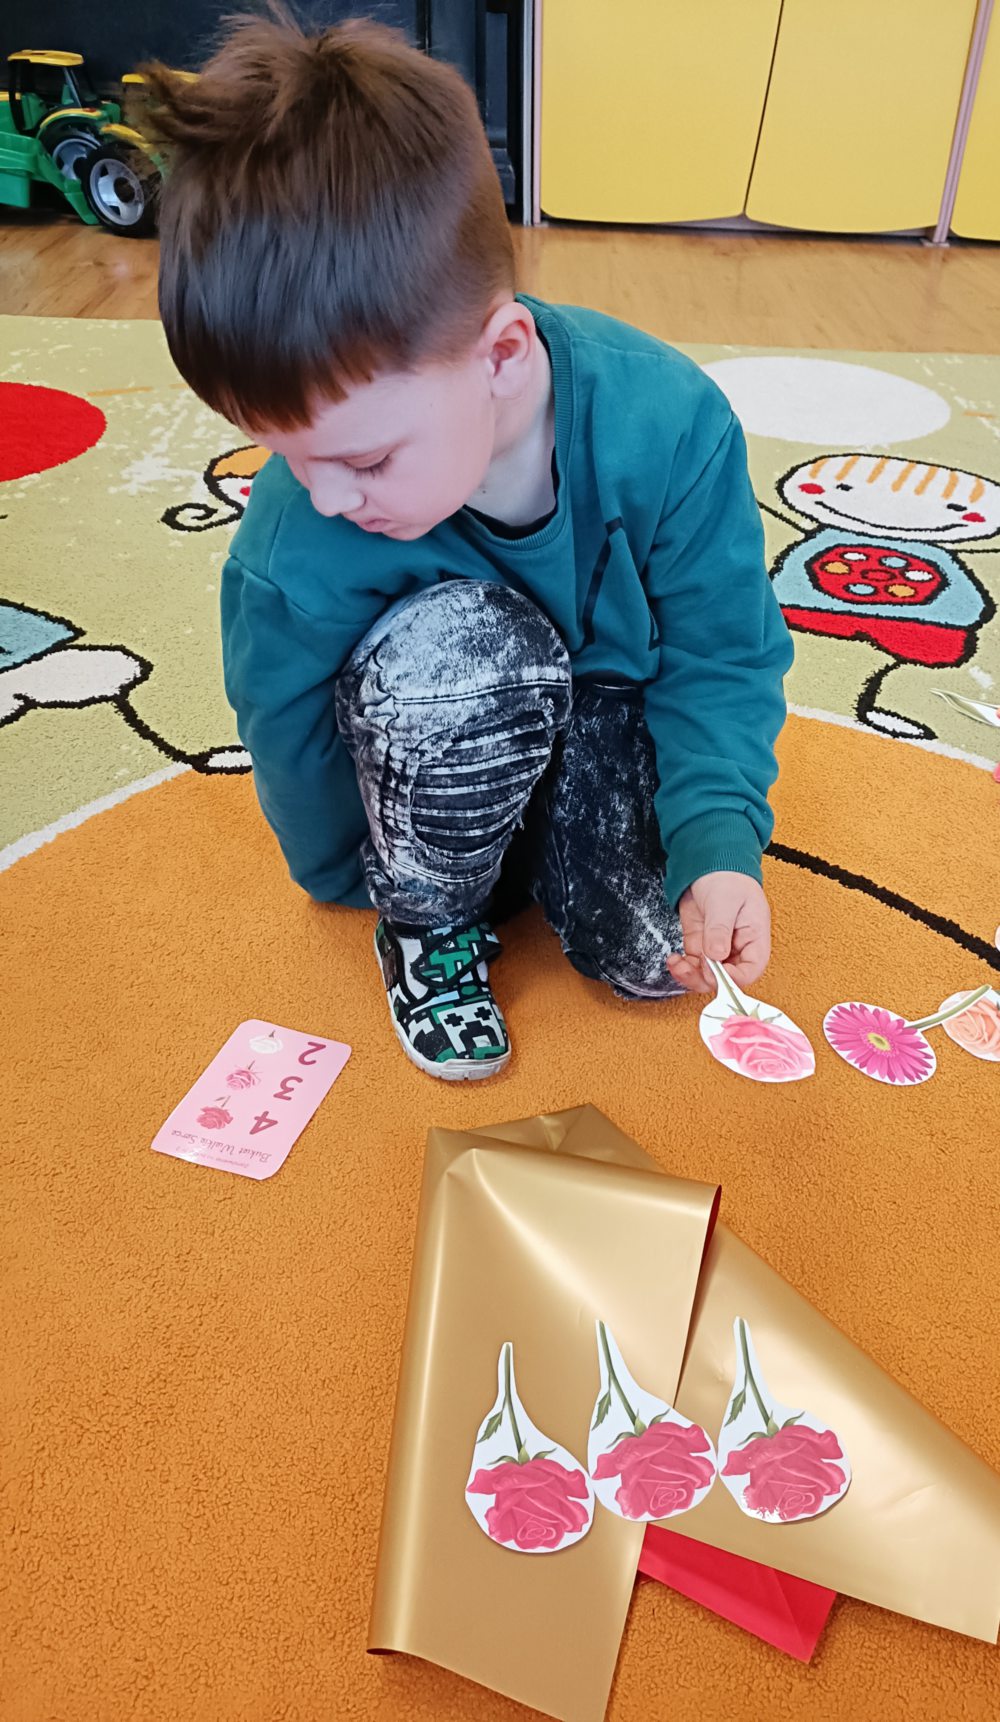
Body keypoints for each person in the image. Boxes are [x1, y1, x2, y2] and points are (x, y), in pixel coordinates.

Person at [142, 13, 794, 1081]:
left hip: (600, 718)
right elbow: (285, 724)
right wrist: (377, 883)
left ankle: (537, 849)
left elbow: (721, 650)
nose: (323, 494)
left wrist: (717, 840)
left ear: (500, 355)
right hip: (442, 737)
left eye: (363, 458)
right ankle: (438, 919)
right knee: (465, 654)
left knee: (654, 954)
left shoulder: (671, 424)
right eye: (285, 453)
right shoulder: (302, 528)